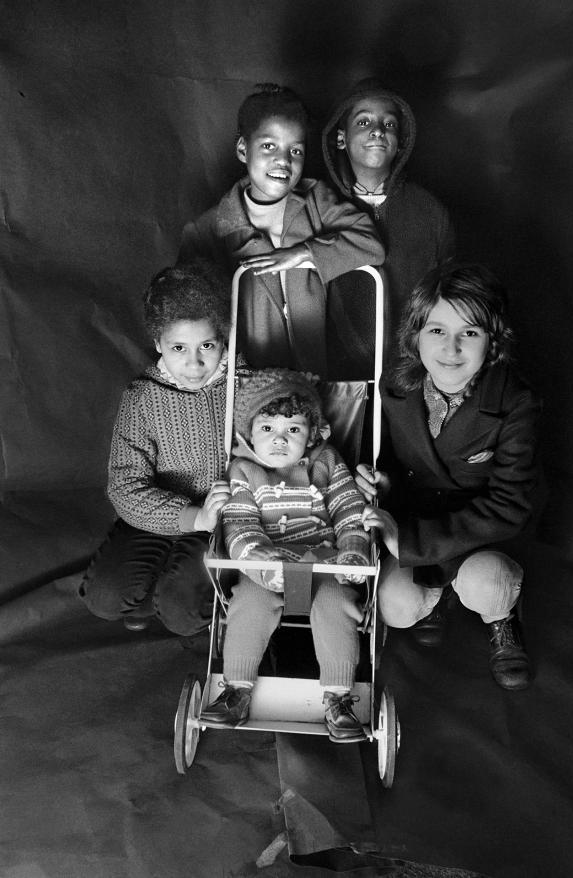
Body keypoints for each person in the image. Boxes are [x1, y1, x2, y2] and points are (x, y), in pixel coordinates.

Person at [359, 262, 540, 690]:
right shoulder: (394, 385)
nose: (451, 348)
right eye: (437, 331)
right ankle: (438, 597)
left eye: (470, 333)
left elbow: (510, 504)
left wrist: (408, 543)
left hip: (481, 534)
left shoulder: (515, 402)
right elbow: (388, 459)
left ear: (492, 341)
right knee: (396, 608)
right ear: (416, 334)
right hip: (416, 518)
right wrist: (380, 480)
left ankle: (502, 617)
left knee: (488, 585)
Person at [201, 368, 371, 742]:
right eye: (267, 430)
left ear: (311, 434)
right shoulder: (243, 470)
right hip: (265, 567)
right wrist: (264, 565)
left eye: (293, 430)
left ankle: (339, 698)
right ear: (248, 433)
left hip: (324, 563)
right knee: (248, 602)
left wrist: (353, 551)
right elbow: (241, 527)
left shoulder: (326, 461)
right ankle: (236, 688)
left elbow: (348, 510)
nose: (279, 440)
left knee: (337, 603)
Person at [79, 261, 248, 636]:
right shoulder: (142, 397)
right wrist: (191, 517)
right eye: (178, 347)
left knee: (182, 614)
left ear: (225, 339)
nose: (194, 363)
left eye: (207, 345)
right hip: (162, 517)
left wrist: (211, 519)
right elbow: (124, 487)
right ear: (158, 344)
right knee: (104, 598)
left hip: (219, 523)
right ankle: (152, 591)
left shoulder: (246, 386)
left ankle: (184, 598)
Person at [178, 83, 385, 377]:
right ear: (242, 149)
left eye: (296, 150)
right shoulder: (206, 231)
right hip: (248, 386)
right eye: (268, 146)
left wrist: (302, 254)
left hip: (315, 378)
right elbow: (191, 320)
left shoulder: (315, 199)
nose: (283, 160)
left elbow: (372, 245)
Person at [322, 77, 455, 377]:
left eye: (389, 124)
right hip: (332, 376)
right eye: (364, 121)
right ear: (341, 138)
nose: (378, 131)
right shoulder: (316, 206)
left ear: (401, 142)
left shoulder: (430, 212)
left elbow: (447, 301)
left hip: (409, 374)